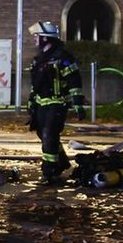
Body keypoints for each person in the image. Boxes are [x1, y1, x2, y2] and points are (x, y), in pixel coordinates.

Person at [26, 21, 85, 183]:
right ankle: (61, 162)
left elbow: (74, 81)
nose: (34, 39)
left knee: (49, 135)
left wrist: (78, 104)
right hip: (40, 104)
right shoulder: (39, 59)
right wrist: (31, 102)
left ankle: (50, 173)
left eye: (37, 36)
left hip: (57, 103)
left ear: (46, 38)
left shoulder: (63, 58)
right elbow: (36, 84)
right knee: (43, 134)